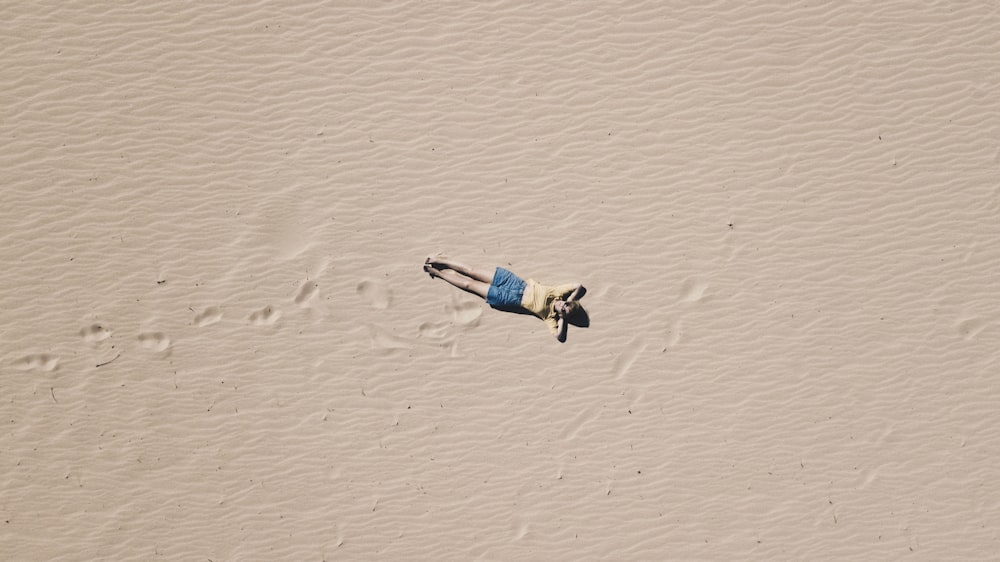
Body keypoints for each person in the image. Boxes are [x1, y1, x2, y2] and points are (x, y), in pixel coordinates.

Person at [423, 254, 585, 342]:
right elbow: (578, 286)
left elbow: (559, 336)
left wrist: (562, 318)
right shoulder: (557, 292)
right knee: (471, 271)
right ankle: (438, 260)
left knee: (468, 285)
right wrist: (572, 298)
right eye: (565, 304)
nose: (561, 305)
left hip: (508, 298)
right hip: (513, 282)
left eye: (564, 309)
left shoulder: (550, 317)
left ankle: (438, 274)